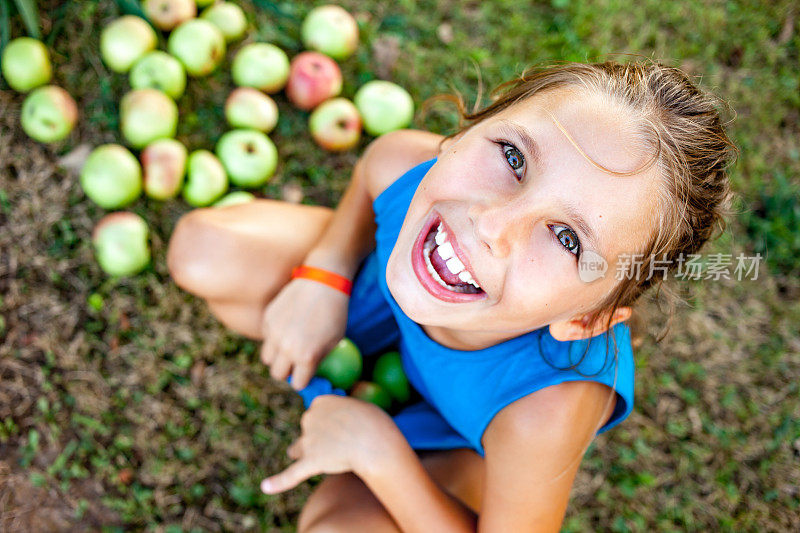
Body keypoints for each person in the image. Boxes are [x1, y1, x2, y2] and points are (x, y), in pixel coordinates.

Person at [166, 61, 735, 532]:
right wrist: (325, 275)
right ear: (462, 134)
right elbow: (374, 165)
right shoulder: (409, 168)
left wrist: (378, 454)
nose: (492, 223)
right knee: (202, 254)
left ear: (587, 319)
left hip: (452, 439)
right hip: (377, 300)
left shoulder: (546, 409)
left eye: (567, 238)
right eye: (513, 157)